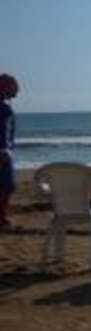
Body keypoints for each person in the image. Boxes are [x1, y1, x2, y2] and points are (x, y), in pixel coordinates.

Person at [0, 74, 19, 229]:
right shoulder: (4, 109)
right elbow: (4, 132)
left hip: (5, 151)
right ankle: (1, 218)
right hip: (3, 153)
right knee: (6, 186)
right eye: (13, 87)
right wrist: (4, 150)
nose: (16, 90)